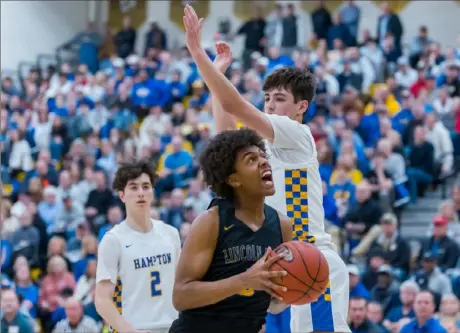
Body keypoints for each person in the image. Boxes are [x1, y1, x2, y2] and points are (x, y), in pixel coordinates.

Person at [183, 5, 350, 333]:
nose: (270, 105)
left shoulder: (298, 134)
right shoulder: (262, 148)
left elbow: (235, 105)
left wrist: (196, 53)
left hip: (313, 261)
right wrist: (218, 69)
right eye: (267, 99)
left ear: (301, 107)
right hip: (284, 267)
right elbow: (225, 134)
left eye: (279, 98)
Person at [169, 129, 293, 333]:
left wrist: (294, 290)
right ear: (234, 180)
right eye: (251, 160)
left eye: (263, 156)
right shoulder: (211, 222)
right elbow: (180, 297)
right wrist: (243, 281)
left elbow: (274, 303)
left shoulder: (283, 225)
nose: (263, 162)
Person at [95, 160, 181, 333]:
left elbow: (181, 285)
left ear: (152, 193)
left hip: (174, 326)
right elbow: (102, 300)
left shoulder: (171, 233)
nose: (141, 193)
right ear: (122, 195)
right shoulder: (113, 240)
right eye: (133, 187)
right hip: (136, 328)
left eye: (145, 186)